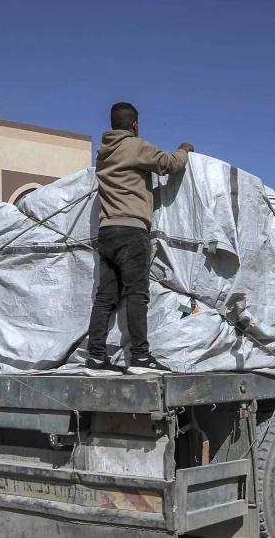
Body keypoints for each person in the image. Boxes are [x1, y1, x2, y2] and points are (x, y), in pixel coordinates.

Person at [86, 102, 194, 371]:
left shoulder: (102, 153)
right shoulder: (135, 146)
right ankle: (141, 357)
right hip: (131, 232)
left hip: (107, 231)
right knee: (137, 294)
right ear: (134, 124)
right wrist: (185, 149)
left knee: (104, 297)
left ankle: (96, 356)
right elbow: (169, 164)